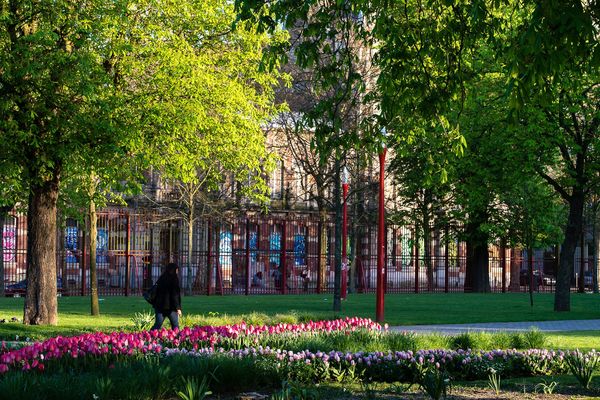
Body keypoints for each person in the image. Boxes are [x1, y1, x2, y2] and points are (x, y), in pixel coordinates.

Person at [150, 262, 182, 330]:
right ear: (174, 270)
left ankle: (147, 336)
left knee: (157, 325)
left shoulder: (162, 278)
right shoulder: (174, 279)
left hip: (160, 307)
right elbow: (175, 295)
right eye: (177, 269)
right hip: (171, 308)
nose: (177, 271)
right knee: (175, 326)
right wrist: (178, 308)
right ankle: (177, 338)